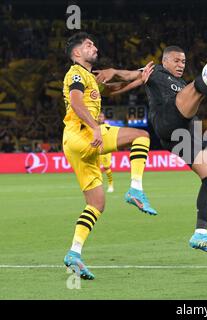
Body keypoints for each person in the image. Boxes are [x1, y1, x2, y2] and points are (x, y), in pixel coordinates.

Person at [94, 46, 207, 255]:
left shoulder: (182, 85)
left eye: (183, 62)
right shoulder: (157, 72)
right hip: (166, 119)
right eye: (176, 61)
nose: (180, 65)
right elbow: (129, 75)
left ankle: (200, 234)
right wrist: (113, 71)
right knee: (200, 83)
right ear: (165, 61)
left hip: (183, 136)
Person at [62, 32, 156, 280]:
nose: (95, 47)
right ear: (76, 53)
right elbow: (75, 102)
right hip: (82, 135)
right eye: (88, 45)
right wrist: (95, 127)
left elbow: (114, 87)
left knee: (96, 204)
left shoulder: (90, 78)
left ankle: (74, 253)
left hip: (76, 144)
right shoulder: (75, 74)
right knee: (141, 136)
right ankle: (135, 189)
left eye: (94, 43)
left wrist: (140, 79)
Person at [98, 112, 114, 193]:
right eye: (99, 116)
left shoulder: (107, 126)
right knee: (95, 168)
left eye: (101, 116)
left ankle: (111, 184)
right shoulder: (94, 126)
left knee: (106, 167)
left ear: (104, 118)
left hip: (106, 149)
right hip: (96, 150)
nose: (100, 118)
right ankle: (97, 186)